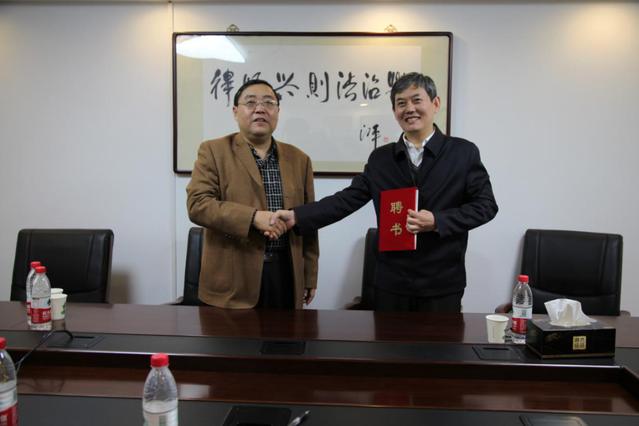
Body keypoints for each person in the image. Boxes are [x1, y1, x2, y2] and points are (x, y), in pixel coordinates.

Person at [271, 72, 497, 312]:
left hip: (442, 281)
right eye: (401, 103)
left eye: (416, 100)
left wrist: (437, 221)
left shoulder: (463, 152)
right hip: (391, 282)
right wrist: (297, 216)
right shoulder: (381, 158)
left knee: (441, 339)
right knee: (388, 338)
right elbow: (346, 199)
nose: (409, 109)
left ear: (435, 103)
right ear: (394, 111)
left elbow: (485, 206)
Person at [187, 79, 319, 309]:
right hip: (232, 279)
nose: (260, 109)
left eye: (269, 103)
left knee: (287, 334)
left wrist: (309, 275)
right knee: (229, 335)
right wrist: (253, 218)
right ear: (235, 112)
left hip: (286, 274)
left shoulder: (300, 159)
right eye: (250, 103)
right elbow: (198, 205)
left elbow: (308, 221)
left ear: (277, 112)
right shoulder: (214, 151)